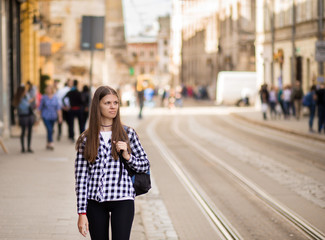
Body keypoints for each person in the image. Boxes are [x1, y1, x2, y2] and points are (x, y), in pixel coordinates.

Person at [75, 86, 150, 240]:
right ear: (97, 105)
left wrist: (128, 156)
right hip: (95, 201)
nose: (113, 106)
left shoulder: (127, 133)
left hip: (122, 199)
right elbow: (81, 179)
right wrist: (81, 212)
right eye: (107, 103)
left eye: (115, 103)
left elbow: (145, 164)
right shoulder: (86, 138)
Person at [12, 85, 35, 153]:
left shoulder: (27, 96)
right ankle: (23, 148)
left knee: (30, 132)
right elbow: (23, 107)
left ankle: (28, 147)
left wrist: (30, 101)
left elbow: (32, 104)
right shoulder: (18, 98)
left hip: (29, 115)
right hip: (23, 116)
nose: (25, 92)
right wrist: (29, 101)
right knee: (23, 131)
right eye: (24, 90)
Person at [39, 85, 62, 150]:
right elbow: (40, 107)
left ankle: (48, 143)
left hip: (53, 116)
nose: (49, 90)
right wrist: (38, 117)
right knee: (49, 129)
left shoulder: (55, 97)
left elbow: (58, 108)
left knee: (50, 130)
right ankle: (51, 142)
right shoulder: (44, 97)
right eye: (48, 89)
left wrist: (60, 117)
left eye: (50, 89)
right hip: (45, 116)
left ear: (52, 90)